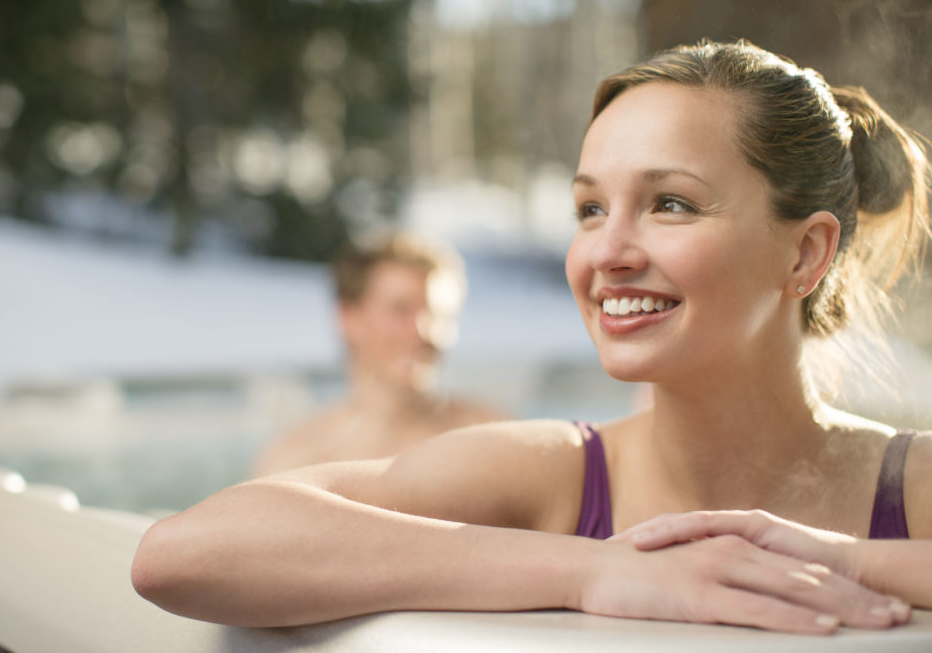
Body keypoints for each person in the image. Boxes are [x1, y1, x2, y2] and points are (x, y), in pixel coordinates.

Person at [131, 40, 931, 635]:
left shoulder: (913, 486)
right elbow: (183, 552)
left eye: (672, 204)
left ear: (806, 251)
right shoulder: (552, 476)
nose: (606, 254)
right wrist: (594, 568)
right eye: (590, 208)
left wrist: (851, 560)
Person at [253, 233, 507, 476]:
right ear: (348, 319)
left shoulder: (491, 439)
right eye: (400, 309)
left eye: (439, 314)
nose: (424, 331)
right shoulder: (296, 461)